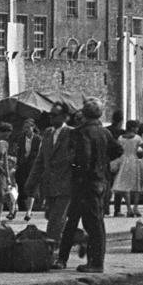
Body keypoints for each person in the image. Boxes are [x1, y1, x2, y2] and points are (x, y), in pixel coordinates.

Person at [57, 99, 115, 273]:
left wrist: (79, 169)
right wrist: (102, 163)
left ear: (84, 113)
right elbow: (117, 150)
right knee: (95, 222)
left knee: (81, 222)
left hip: (85, 183)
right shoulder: (105, 132)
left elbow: (84, 158)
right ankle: (84, 260)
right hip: (101, 181)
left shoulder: (82, 133)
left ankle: (95, 263)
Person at [30, 104, 75, 247]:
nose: (51, 117)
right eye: (50, 115)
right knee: (51, 217)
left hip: (65, 184)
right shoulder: (48, 133)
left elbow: (75, 158)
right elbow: (40, 160)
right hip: (49, 184)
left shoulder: (72, 133)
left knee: (55, 220)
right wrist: (31, 182)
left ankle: (52, 252)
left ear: (65, 117)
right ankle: (79, 238)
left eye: (55, 115)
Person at [111, 121, 143, 218]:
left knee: (125, 185)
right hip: (133, 160)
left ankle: (129, 208)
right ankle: (135, 208)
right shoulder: (138, 138)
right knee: (136, 184)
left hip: (123, 160)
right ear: (134, 128)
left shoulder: (121, 138)